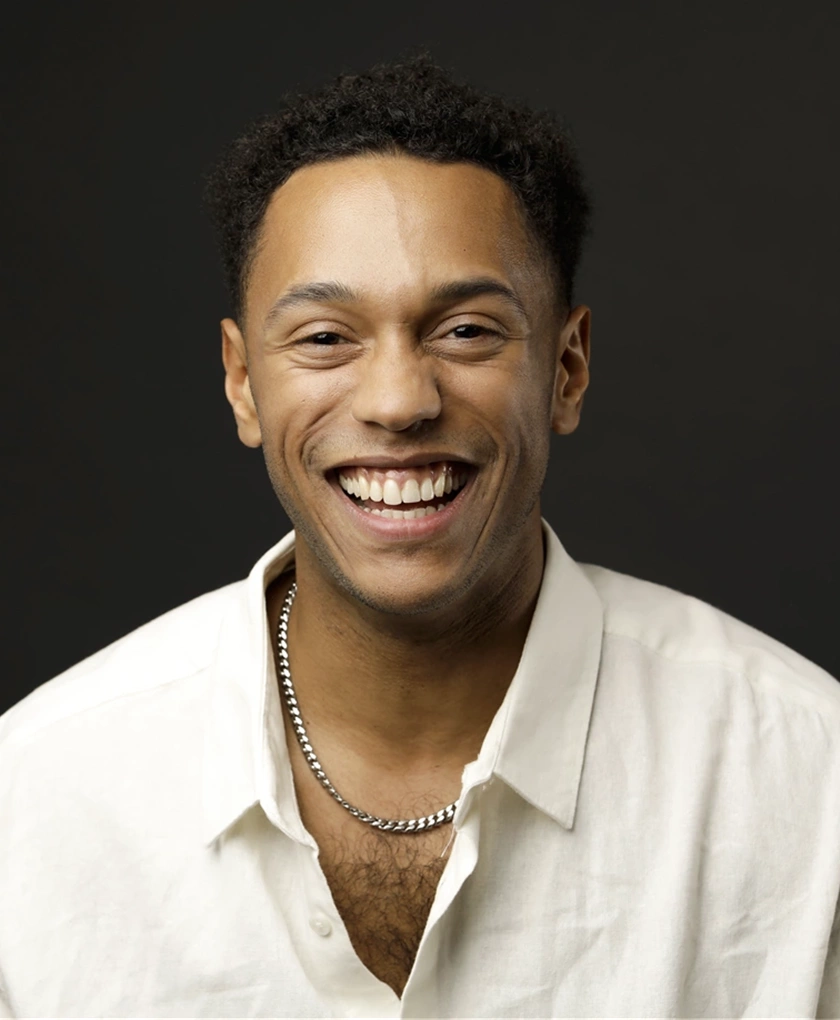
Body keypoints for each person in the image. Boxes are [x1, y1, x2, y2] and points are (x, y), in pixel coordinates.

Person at [1, 55, 838, 1019]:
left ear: (566, 370)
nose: (399, 401)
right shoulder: (36, 798)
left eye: (467, 331)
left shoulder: (810, 783)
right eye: (325, 337)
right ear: (242, 382)